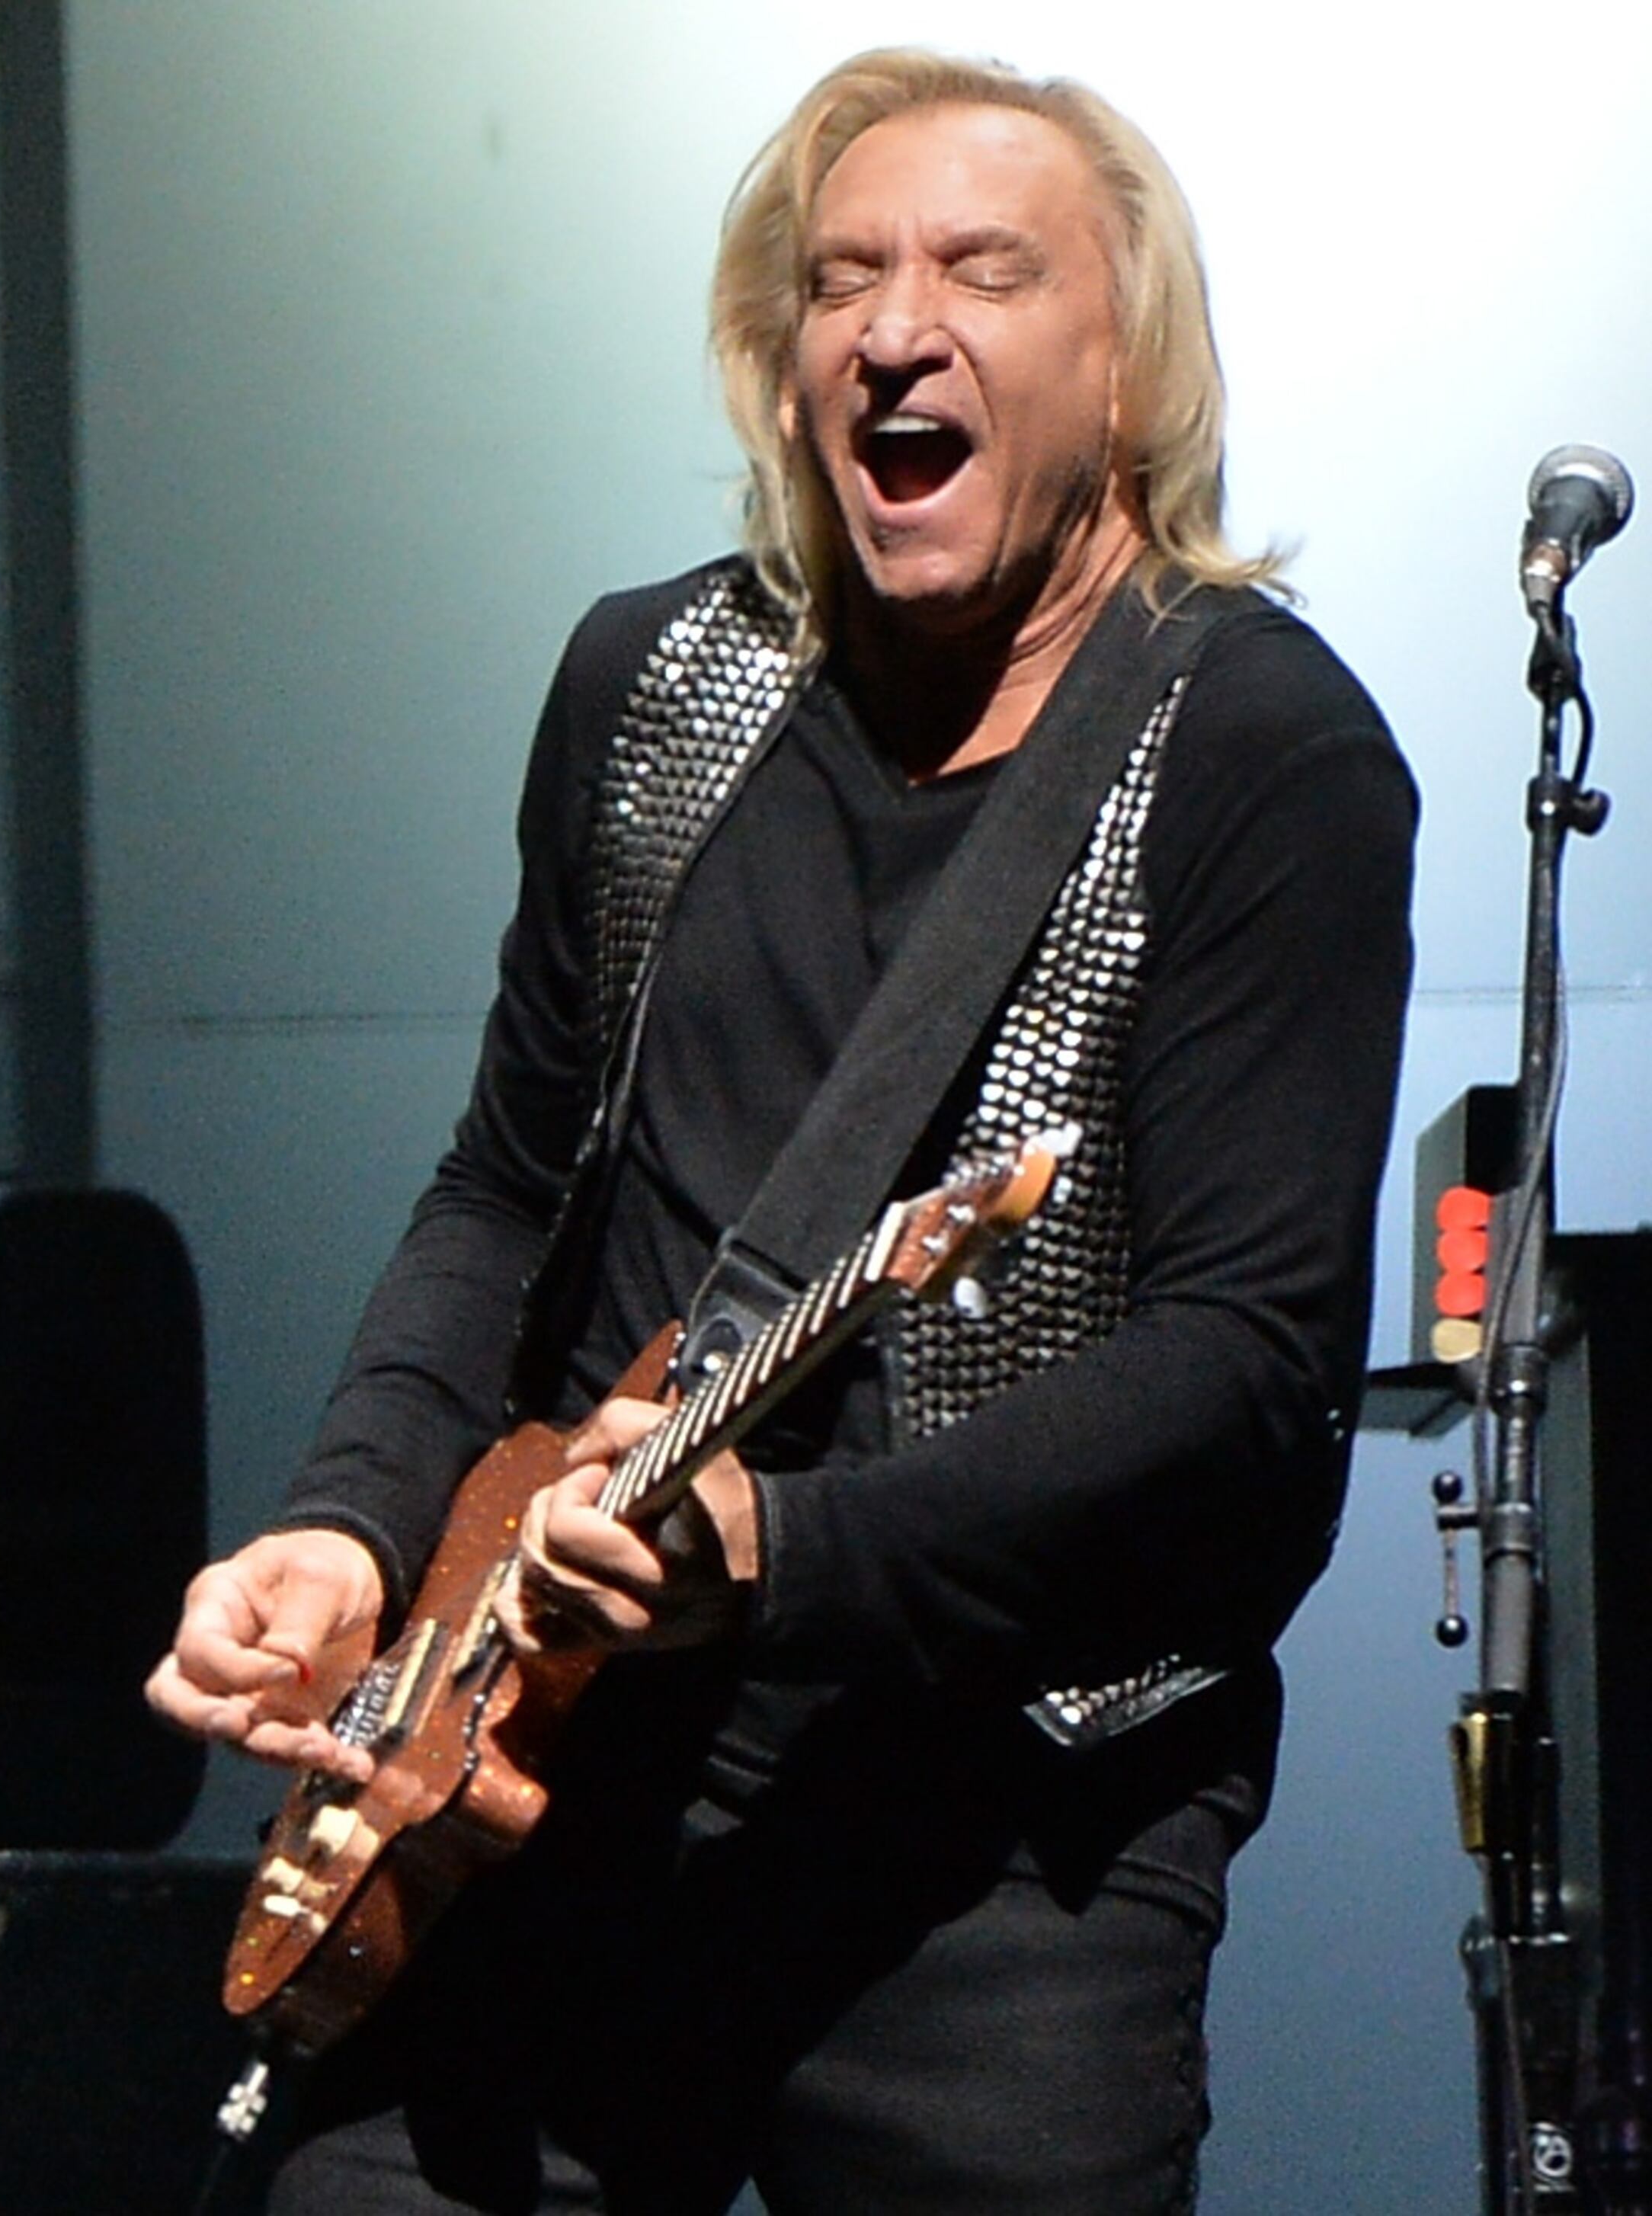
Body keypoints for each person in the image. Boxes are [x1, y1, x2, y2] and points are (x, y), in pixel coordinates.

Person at [146, 46, 1417, 2216]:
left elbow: (1245, 1370)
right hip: (555, 1772)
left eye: (980, 269)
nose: (896, 325)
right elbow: (508, 1184)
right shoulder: (651, 688)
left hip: (1004, 1842)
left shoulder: (1260, 751)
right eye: (843, 279)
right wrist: (354, 1528)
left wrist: (782, 1553)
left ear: (1125, 362)